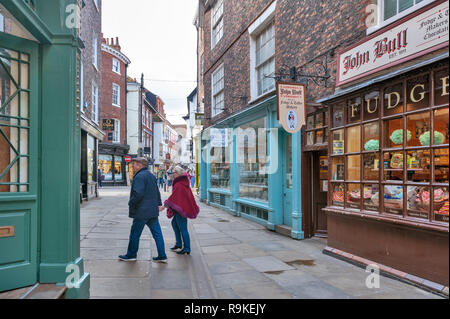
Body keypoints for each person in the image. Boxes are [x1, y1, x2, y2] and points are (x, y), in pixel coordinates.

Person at [119, 158, 168, 263]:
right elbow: (156, 191)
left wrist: (131, 203)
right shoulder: (151, 175)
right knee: (157, 233)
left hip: (141, 211)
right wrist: (158, 204)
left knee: (135, 234)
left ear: (140, 165)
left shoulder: (139, 176)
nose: (133, 166)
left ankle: (131, 255)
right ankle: (162, 255)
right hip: (152, 210)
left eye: (134, 164)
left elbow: (138, 193)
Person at [163, 165, 200, 255]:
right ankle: (178, 244)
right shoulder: (181, 182)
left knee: (183, 228)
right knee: (174, 224)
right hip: (181, 208)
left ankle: (187, 248)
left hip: (182, 209)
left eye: (174, 172)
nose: (173, 174)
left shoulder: (180, 184)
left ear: (178, 174)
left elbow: (175, 197)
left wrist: (165, 204)